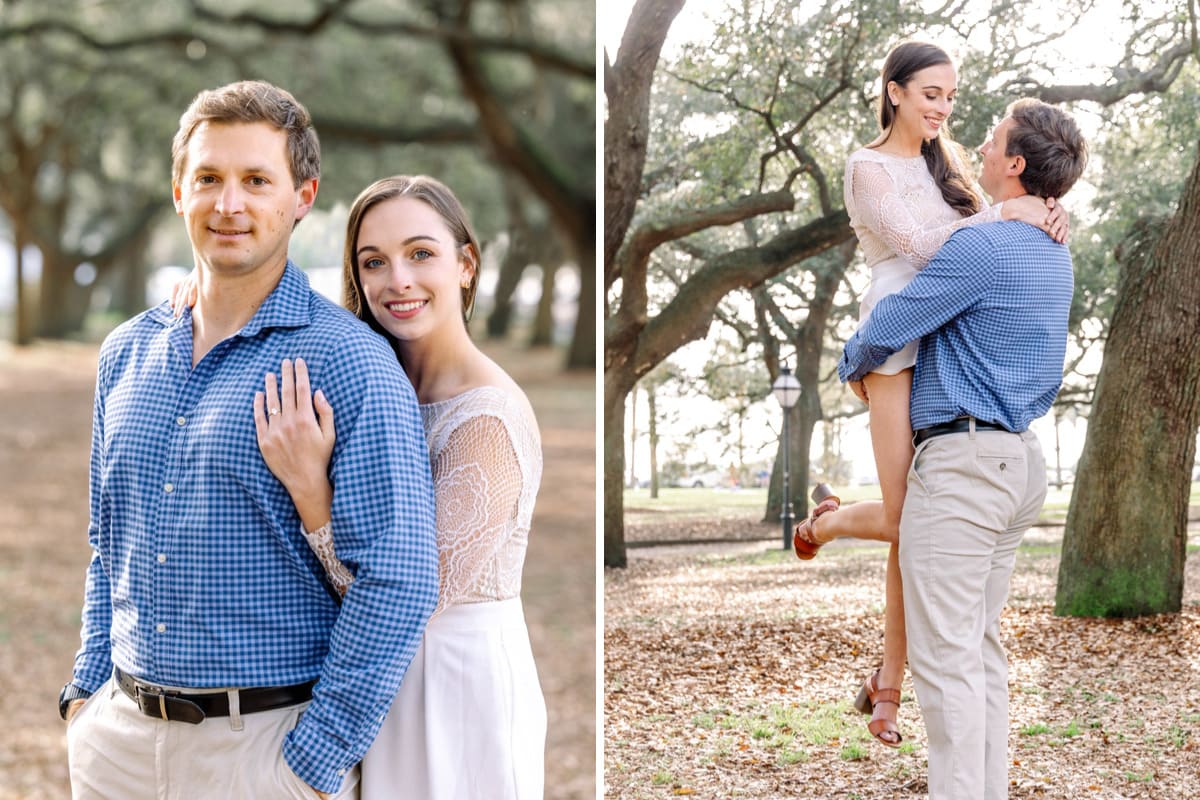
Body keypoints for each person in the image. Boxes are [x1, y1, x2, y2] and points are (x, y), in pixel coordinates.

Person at [61, 81, 438, 800]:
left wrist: (314, 761)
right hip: (116, 746)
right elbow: (108, 543)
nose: (228, 204)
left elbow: (399, 577)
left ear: (303, 196)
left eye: (256, 181)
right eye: (208, 178)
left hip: (261, 755)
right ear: (179, 191)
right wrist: (85, 693)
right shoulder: (125, 353)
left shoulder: (349, 362)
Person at [179, 175, 548, 798]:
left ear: (466, 264)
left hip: (450, 686)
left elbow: (404, 599)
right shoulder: (374, 381)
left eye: (421, 253)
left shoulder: (486, 422)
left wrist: (309, 490)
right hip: (364, 685)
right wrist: (209, 297)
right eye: (373, 262)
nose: (397, 280)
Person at [790, 40, 1068, 747]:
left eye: (950, 95)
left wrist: (1034, 213)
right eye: (929, 94)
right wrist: (1012, 214)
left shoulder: (955, 175)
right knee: (903, 521)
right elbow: (923, 247)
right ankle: (823, 524)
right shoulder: (867, 167)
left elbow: (989, 262)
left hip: (947, 342)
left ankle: (888, 687)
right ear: (894, 92)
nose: (943, 108)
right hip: (893, 343)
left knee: (915, 529)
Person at [838, 97, 1087, 799]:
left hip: (964, 469)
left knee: (948, 666)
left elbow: (895, 320)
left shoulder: (981, 247)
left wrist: (852, 359)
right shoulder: (1054, 249)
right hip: (1017, 467)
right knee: (977, 655)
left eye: (993, 140)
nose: (976, 145)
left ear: (1014, 164)